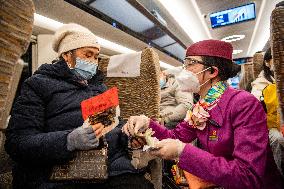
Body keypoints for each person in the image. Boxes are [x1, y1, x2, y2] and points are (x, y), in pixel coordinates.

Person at [5, 23, 154, 189]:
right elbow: (17, 143)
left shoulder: (100, 88)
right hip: (61, 173)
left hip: (108, 167)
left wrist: (128, 136)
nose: (93, 62)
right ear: (67, 55)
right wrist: (69, 140)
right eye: (87, 55)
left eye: (96, 57)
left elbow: (113, 124)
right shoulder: (37, 85)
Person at [123, 40, 284, 189]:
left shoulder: (243, 104)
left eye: (190, 64)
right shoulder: (202, 106)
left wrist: (182, 151)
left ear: (213, 71)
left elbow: (248, 176)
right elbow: (175, 135)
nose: (183, 71)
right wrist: (147, 123)